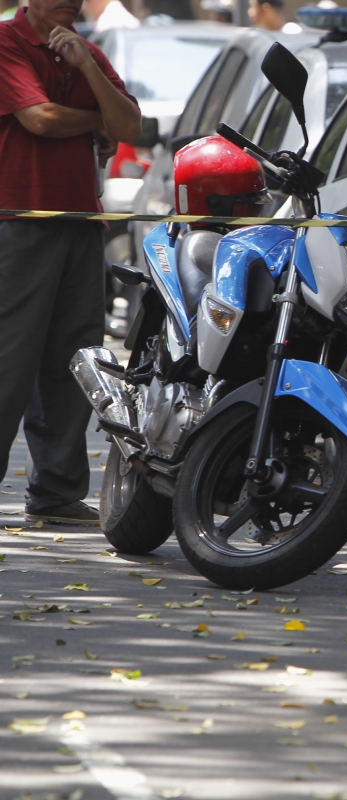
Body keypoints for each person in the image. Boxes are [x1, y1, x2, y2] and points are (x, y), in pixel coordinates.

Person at [0, 0, 140, 525]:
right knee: (9, 361)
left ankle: (56, 492)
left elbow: (131, 125)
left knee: (75, 360)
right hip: (20, 220)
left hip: (81, 223)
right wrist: (96, 122)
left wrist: (87, 68)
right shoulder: (8, 42)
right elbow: (40, 119)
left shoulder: (87, 52)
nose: (73, 0)